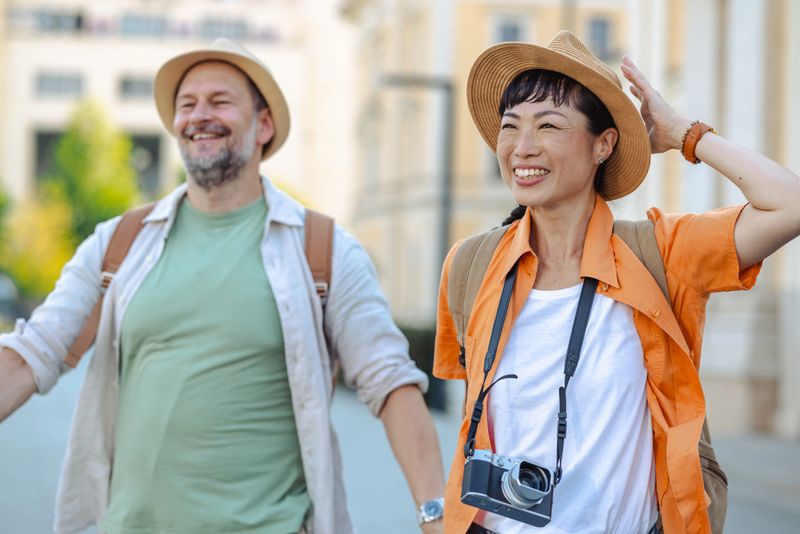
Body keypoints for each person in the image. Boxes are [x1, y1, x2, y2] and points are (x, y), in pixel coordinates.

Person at [0, 39, 445, 534]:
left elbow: (391, 384)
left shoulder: (323, 250)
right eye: (187, 104)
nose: (199, 115)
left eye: (220, 101)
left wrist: (435, 515)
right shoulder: (119, 243)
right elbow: (31, 352)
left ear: (265, 126)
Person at [433, 30, 800, 534]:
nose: (522, 147)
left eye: (549, 126)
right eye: (510, 126)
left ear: (603, 144)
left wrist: (684, 134)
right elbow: (474, 421)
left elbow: (790, 203)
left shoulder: (660, 253)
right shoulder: (470, 264)